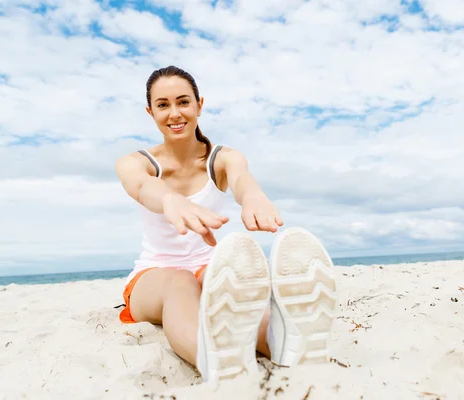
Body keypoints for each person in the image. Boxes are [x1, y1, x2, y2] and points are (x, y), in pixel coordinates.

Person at [115, 66, 338, 383]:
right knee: (181, 281)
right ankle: (211, 355)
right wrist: (171, 200)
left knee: (234, 287)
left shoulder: (223, 157)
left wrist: (253, 197)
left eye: (183, 102)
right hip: (153, 278)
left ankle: (280, 339)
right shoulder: (135, 162)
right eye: (163, 105)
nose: (175, 113)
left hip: (209, 267)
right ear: (151, 112)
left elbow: (241, 179)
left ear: (199, 105)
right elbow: (141, 186)